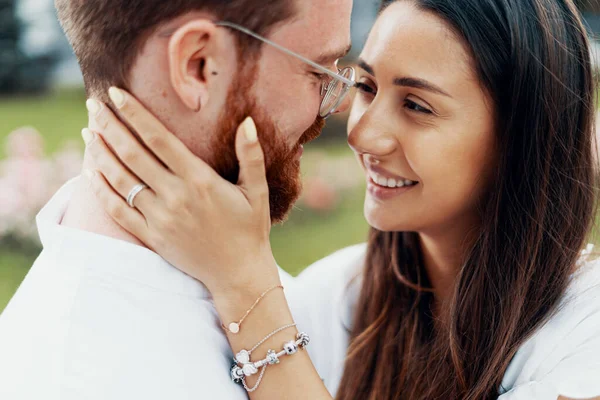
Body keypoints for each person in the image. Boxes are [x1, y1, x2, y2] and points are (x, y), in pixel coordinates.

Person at [81, 0, 600, 399]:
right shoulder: (338, 297)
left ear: (524, 134)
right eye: (368, 87)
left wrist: (243, 281)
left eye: (417, 105)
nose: (363, 133)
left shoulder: (586, 334)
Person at [0, 0, 354, 398]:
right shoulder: (79, 378)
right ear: (198, 66)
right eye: (317, 72)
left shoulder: (269, 282)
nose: (337, 105)